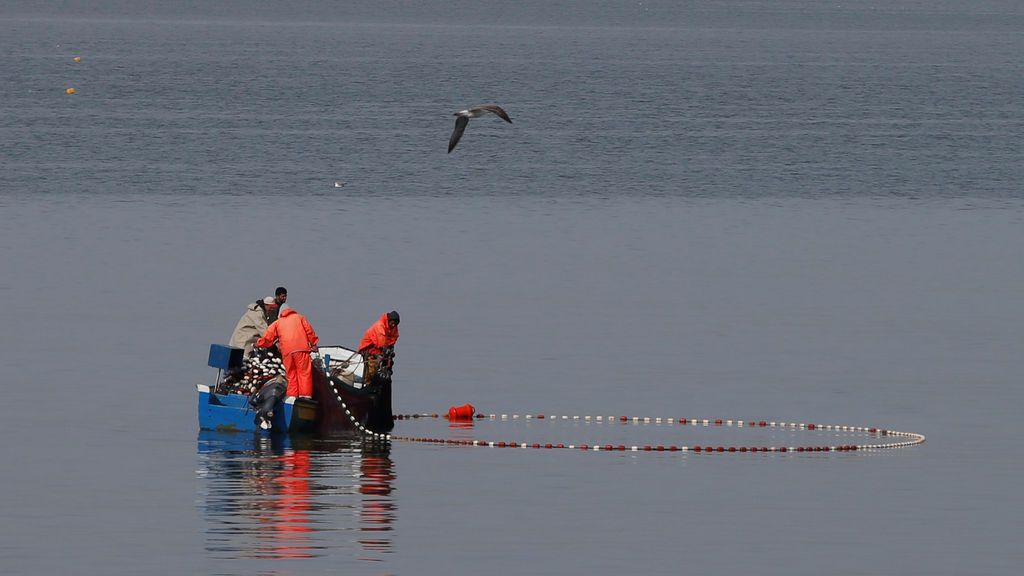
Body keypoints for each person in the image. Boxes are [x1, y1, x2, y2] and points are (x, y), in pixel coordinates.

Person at [256, 304, 319, 397]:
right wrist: (313, 344)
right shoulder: (300, 318)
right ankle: (305, 397)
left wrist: (259, 343)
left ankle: (292, 397)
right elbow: (309, 331)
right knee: (304, 373)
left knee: (291, 374)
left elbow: (268, 337)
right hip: (301, 350)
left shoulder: (277, 323)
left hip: (287, 352)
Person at [358, 311, 400, 386]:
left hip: (380, 349)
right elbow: (381, 342)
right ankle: (367, 383)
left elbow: (394, 338)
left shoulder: (393, 328)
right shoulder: (380, 326)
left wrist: (389, 350)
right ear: (389, 320)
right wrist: (384, 351)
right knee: (372, 366)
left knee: (388, 364)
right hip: (368, 348)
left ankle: (380, 382)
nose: (393, 325)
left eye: (395, 324)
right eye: (392, 323)